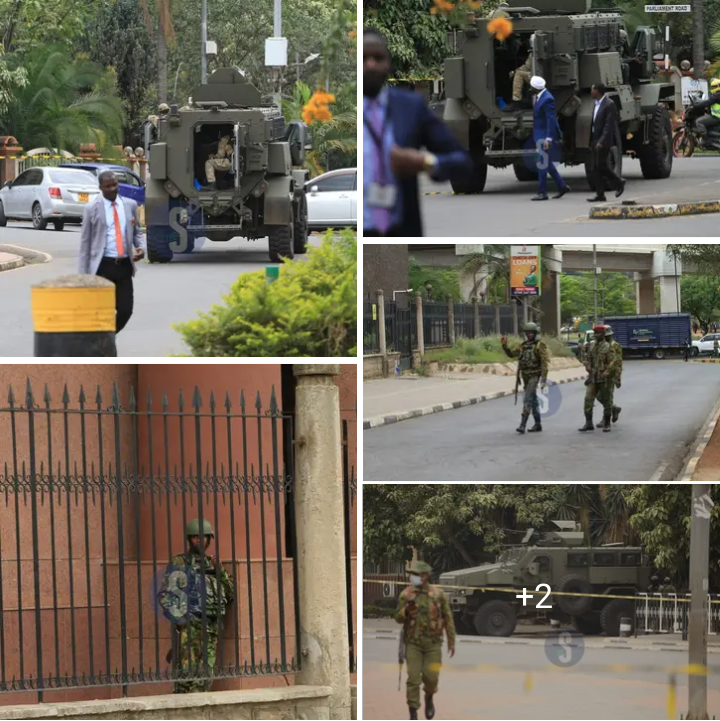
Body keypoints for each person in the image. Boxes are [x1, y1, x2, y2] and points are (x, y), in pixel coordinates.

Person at [363, 27, 473, 237]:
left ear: (389, 64)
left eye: (378, 57)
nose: (370, 65)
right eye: (364, 58)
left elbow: (462, 162)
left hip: (398, 230)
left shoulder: (410, 108)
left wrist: (425, 162)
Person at [158, 519, 234, 693]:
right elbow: (164, 595)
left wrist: (219, 570)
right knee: (187, 679)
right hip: (190, 627)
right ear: (189, 539)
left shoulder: (212, 564)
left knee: (206, 676)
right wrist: (179, 618)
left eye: (204, 537)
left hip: (212, 628)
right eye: (195, 537)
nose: (200, 541)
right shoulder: (180, 562)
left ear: (209, 539)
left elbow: (230, 594)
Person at [78, 170, 145, 333]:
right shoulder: (91, 208)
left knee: (125, 310)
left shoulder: (129, 205)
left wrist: (141, 247)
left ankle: (106, 337)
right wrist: (83, 276)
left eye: (115, 184)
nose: (113, 189)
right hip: (102, 267)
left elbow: (137, 232)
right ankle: (103, 342)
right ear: (101, 187)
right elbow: (85, 244)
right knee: (103, 311)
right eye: (108, 186)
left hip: (123, 267)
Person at [395, 560, 455, 721]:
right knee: (413, 678)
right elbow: (398, 618)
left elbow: (447, 618)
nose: (412, 577)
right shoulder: (406, 595)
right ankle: (413, 712)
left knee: (431, 677)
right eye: (411, 574)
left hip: (433, 644)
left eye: (415, 574)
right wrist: (406, 611)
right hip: (413, 643)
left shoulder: (438, 595)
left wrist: (451, 641)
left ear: (425, 576)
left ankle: (429, 697)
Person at [501, 322, 549, 434]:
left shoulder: (539, 346)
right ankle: (538, 424)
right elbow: (512, 354)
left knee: (527, 398)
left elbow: (544, 363)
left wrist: (543, 380)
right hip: (525, 375)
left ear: (535, 333)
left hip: (534, 375)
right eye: (527, 333)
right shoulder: (523, 346)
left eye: (531, 333)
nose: (529, 335)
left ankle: (522, 424)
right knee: (533, 400)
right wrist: (505, 346)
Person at [529, 76, 570, 202]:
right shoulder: (540, 97)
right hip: (539, 134)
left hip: (544, 136)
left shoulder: (547, 99)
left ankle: (542, 192)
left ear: (535, 88)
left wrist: (548, 138)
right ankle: (562, 186)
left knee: (542, 164)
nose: (529, 88)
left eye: (531, 86)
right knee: (547, 163)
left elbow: (551, 120)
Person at [588, 84, 625, 203]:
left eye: (592, 89)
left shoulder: (609, 104)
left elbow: (608, 126)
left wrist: (602, 141)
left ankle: (619, 182)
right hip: (595, 139)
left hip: (603, 141)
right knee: (595, 168)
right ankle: (600, 194)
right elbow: (594, 123)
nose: (591, 91)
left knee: (601, 166)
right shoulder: (596, 104)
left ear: (597, 91)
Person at [579, 325, 618, 433]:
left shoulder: (608, 347)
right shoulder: (591, 345)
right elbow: (585, 356)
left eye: (599, 333)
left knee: (607, 401)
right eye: (595, 333)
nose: (596, 335)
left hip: (605, 379)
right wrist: (586, 364)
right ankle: (588, 423)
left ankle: (606, 423)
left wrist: (607, 372)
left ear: (603, 334)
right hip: (593, 378)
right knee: (588, 400)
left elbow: (613, 362)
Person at [596, 325, 623, 427]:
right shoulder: (599, 345)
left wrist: (618, 377)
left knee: (608, 397)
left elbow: (618, 362)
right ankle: (614, 408)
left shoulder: (615, 346)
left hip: (611, 375)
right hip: (600, 375)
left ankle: (605, 419)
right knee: (599, 396)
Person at [687, 78, 720, 145]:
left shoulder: (717, 95)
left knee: (698, 121)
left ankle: (706, 140)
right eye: (712, 87)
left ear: (718, 86)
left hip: (716, 117)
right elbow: (711, 105)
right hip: (716, 116)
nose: (712, 88)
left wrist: (695, 106)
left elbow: (707, 103)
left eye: (714, 86)